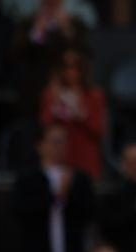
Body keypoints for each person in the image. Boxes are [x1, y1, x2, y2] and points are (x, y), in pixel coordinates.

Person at [13, 124, 95, 252]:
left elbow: (88, 213)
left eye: (63, 142)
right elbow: (21, 211)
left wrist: (68, 196)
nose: (59, 147)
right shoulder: (27, 178)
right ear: (40, 145)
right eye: (54, 142)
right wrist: (56, 196)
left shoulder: (79, 179)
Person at [12, 0, 89, 117]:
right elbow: (16, 54)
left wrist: (67, 29)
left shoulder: (75, 23)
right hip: (34, 93)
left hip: (69, 91)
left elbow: (85, 53)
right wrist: (37, 33)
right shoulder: (27, 23)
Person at [39, 49, 107, 180]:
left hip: (85, 155)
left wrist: (81, 116)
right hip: (59, 158)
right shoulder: (51, 94)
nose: (71, 72)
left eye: (76, 67)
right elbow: (44, 126)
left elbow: (99, 131)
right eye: (66, 67)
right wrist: (56, 103)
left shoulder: (95, 96)